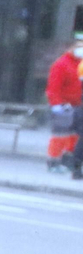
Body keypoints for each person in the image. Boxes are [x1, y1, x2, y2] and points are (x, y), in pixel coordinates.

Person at [46, 34, 82, 177]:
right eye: (79, 46)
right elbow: (53, 87)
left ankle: (67, 161)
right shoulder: (61, 64)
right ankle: (53, 162)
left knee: (74, 136)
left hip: (77, 105)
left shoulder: (80, 64)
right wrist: (57, 105)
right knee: (60, 135)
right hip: (63, 105)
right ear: (71, 48)